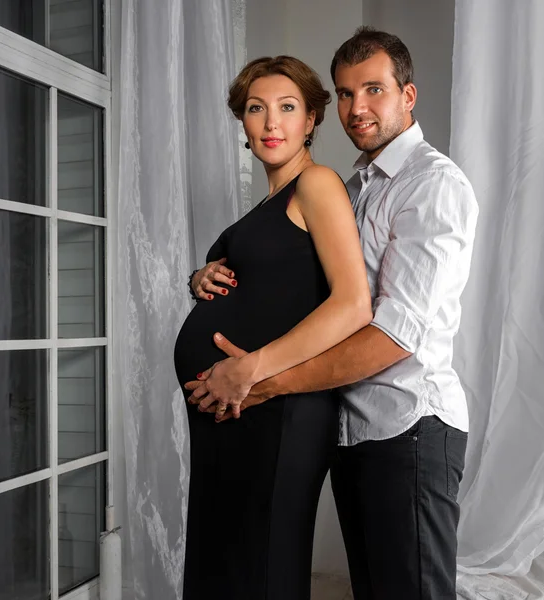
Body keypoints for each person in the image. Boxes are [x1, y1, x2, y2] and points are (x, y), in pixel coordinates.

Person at [187, 27, 479, 600]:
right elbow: (292, 287)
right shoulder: (354, 188)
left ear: (408, 96)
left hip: (408, 425)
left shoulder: (432, 185)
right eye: (345, 93)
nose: (357, 107)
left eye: (373, 89)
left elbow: (393, 336)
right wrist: (204, 275)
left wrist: (264, 381)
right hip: (353, 429)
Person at [174, 54, 372, 600]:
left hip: (276, 409)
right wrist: (200, 276)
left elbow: (354, 304)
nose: (270, 123)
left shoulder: (318, 184)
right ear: (242, 121)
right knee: (227, 563)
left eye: (287, 108)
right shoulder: (265, 206)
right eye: (256, 109)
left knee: (263, 567)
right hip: (231, 414)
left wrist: (249, 369)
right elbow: (264, 280)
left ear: (311, 119)